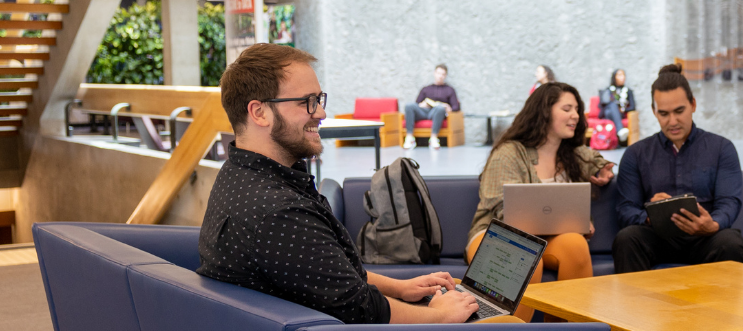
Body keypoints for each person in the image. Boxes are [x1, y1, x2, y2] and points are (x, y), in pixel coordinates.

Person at [197, 44, 518, 324]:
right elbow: (360, 309)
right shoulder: (280, 215)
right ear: (259, 112)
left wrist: (401, 287)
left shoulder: (240, 175)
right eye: (307, 101)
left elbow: (323, 275)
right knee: (509, 323)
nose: (321, 112)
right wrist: (440, 316)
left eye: (319, 98)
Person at [467, 81, 615, 322]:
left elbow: (592, 158)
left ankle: (564, 328)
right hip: (496, 235)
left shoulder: (572, 155)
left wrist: (602, 168)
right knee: (525, 256)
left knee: (576, 245)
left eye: (577, 109)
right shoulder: (509, 152)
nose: (575, 116)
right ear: (545, 112)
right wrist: (558, 223)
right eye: (567, 109)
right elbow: (502, 210)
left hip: (548, 240)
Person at [612, 64, 743, 274]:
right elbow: (625, 208)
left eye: (679, 111)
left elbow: (729, 201)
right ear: (654, 111)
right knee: (627, 238)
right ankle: (635, 307)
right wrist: (649, 215)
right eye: (664, 113)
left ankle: (722, 308)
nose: (672, 121)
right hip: (657, 238)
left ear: (693, 104)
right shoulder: (636, 154)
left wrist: (713, 224)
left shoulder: (721, 148)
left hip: (705, 238)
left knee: (730, 242)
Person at [403, 64, 461, 150]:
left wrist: (448, 107)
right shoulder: (426, 88)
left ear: (445, 76)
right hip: (424, 111)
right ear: (434, 73)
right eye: (438, 73)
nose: (440, 76)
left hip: (437, 113)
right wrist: (422, 104)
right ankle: (409, 138)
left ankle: (433, 138)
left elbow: (456, 107)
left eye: (443, 74)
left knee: (440, 108)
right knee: (409, 106)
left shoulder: (449, 90)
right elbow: (417, 103)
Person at [598, 68, 636, 143]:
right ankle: (620, 130)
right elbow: (602, 104)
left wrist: (623, 110)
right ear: (614, 77)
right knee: (612, 104)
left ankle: (615, 136)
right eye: (619, 75)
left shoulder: (628, 91)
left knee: (613, 106)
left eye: (623, 75)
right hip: (607, 113)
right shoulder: (609, 90)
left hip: (620, 114)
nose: (622, 77)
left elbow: (633, 107)